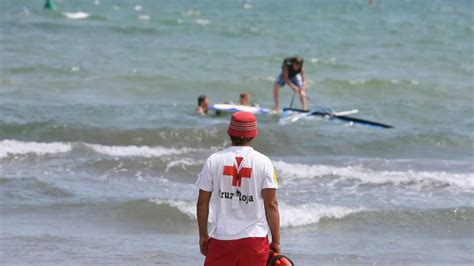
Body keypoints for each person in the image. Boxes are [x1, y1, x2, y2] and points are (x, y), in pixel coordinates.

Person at [196, 112, 281, 266]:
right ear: (253, 135)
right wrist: (276, 240)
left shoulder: (213, 161)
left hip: (221, 239)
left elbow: (202, 203)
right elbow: (271, 204)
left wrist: (203, 235)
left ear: (230, 132)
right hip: (254, 240)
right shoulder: (264, 162)